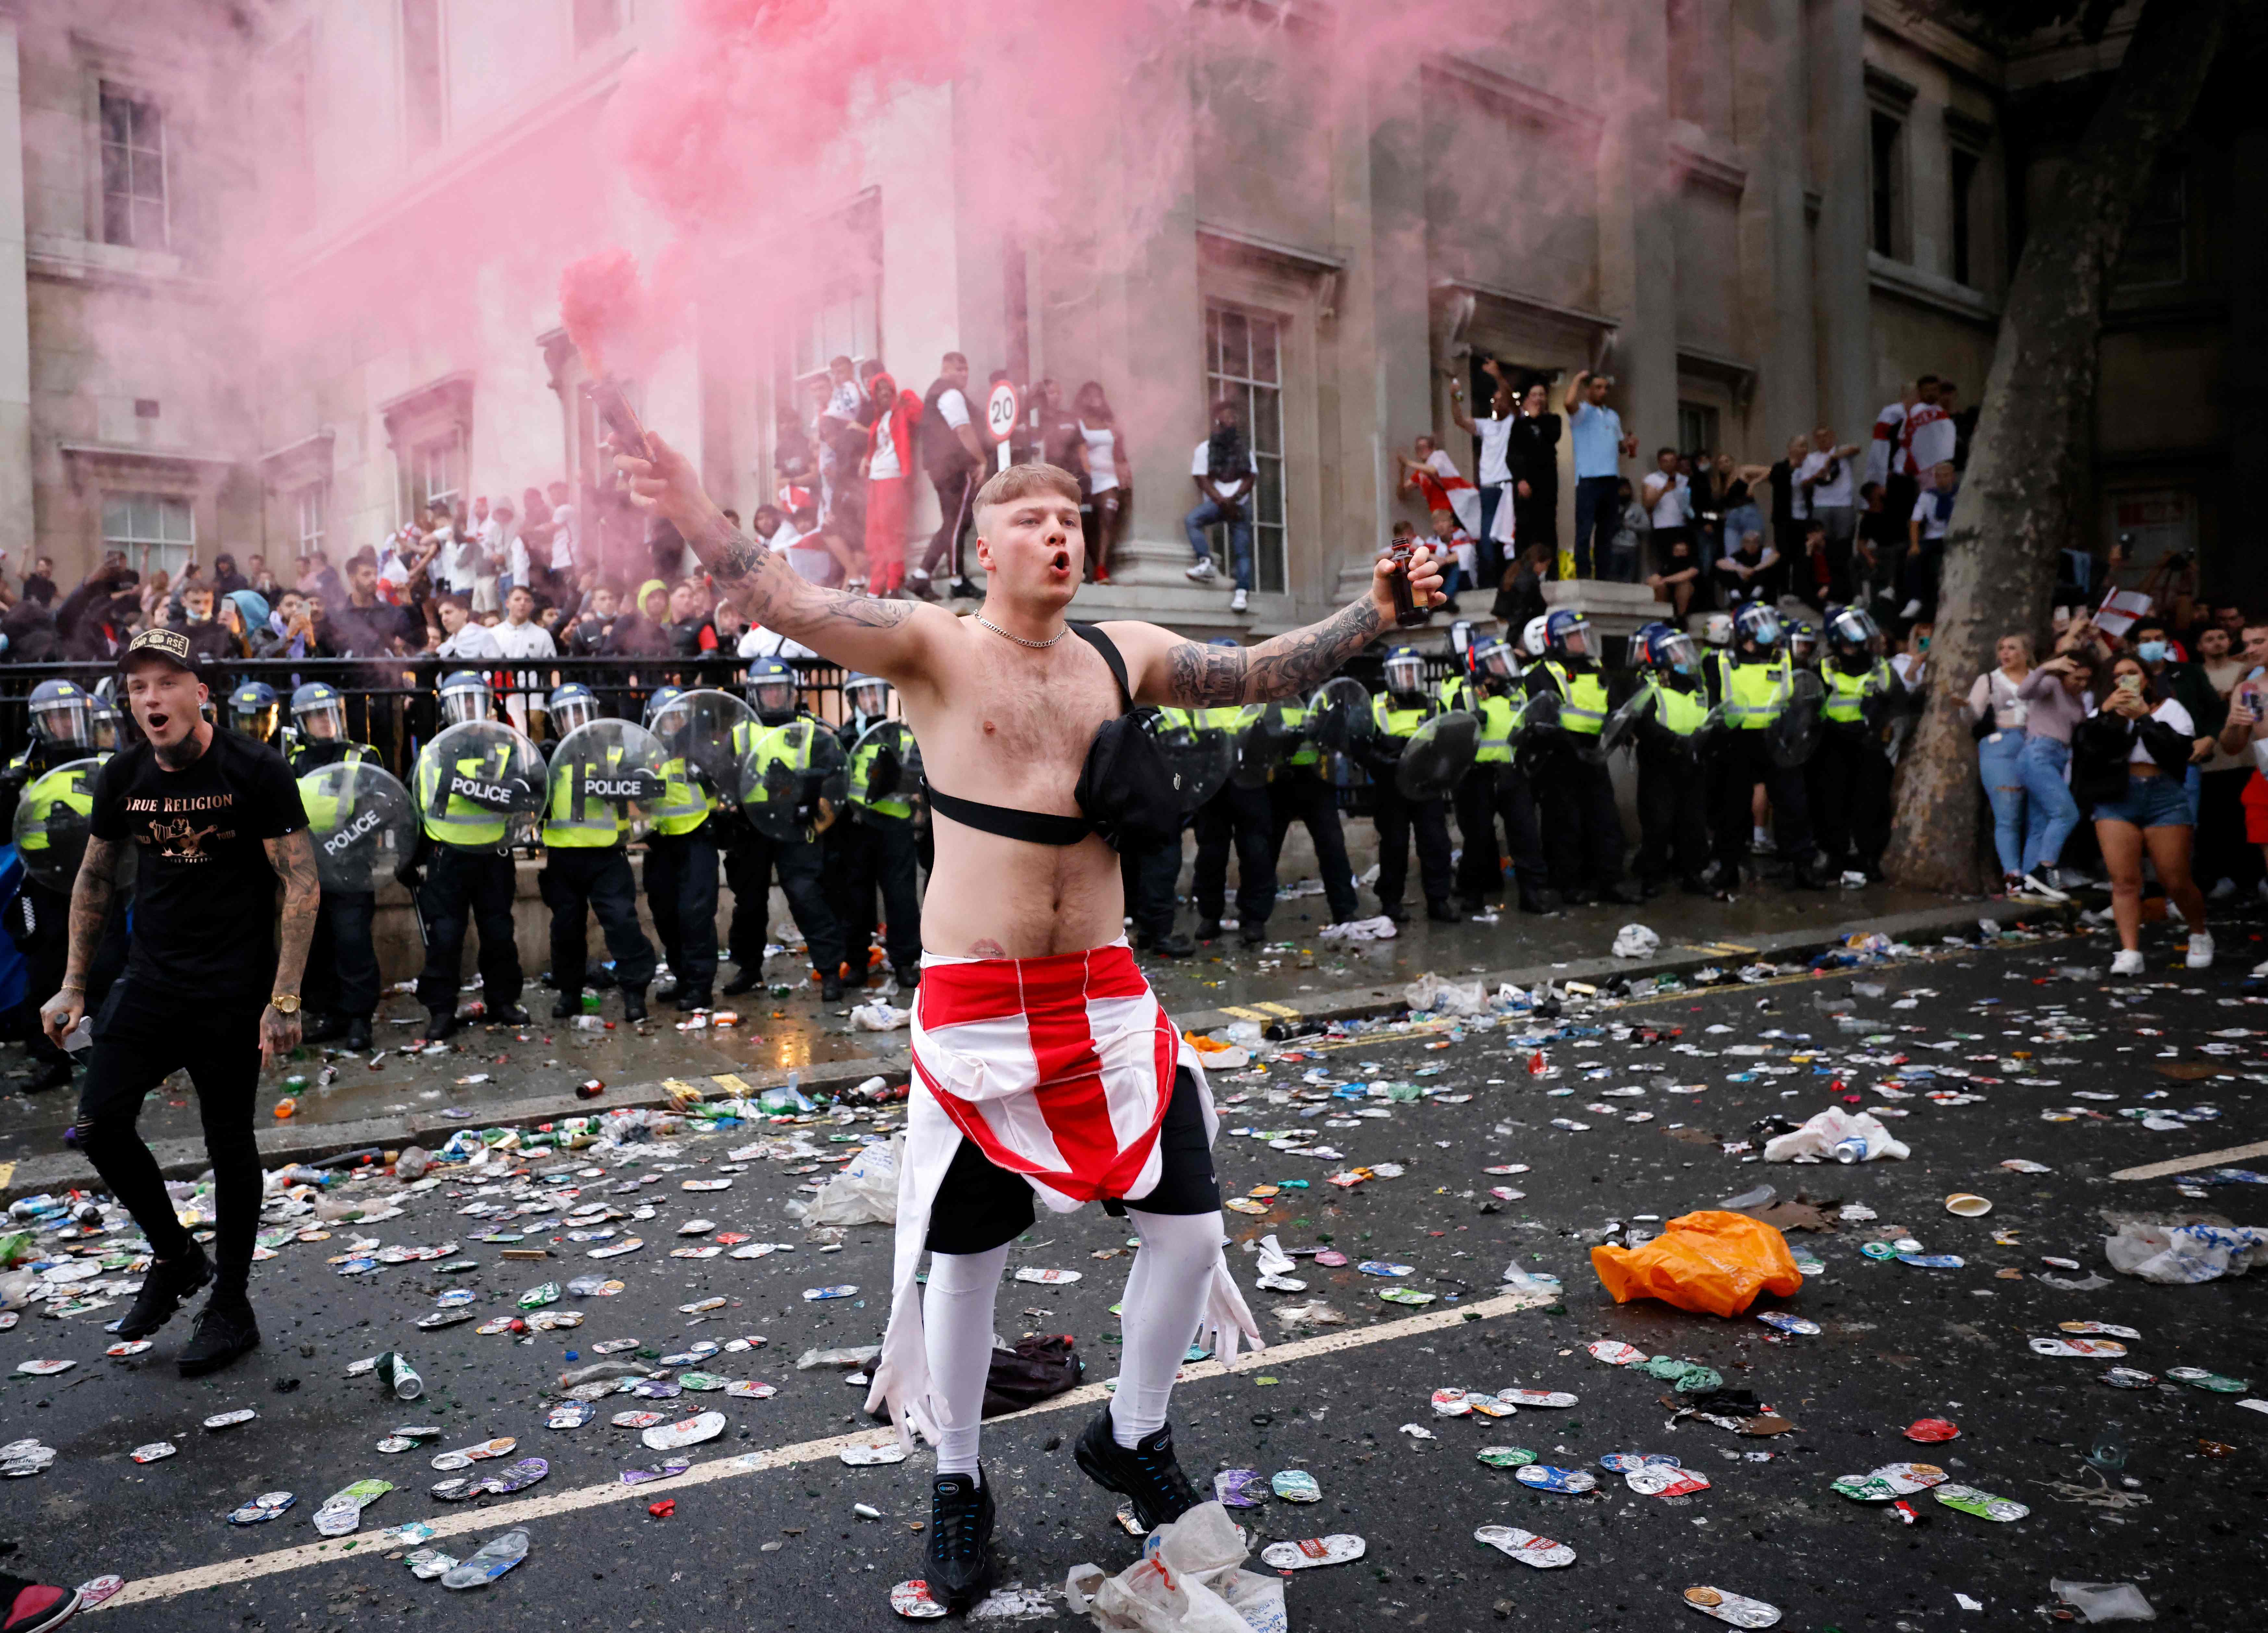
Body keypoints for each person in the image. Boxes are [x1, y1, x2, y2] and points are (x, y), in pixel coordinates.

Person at [615, 427, 1441, 1610]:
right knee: (965, 1264)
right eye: (1033, 521)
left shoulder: (1124, 651)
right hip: (979, 1015)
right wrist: (698, 503)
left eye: (1072, 520)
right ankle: (957, 1477)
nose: (1061, 532)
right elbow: (782, 595)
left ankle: (1132, 1433)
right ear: (985, 547)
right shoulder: (931, 645)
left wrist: (1369, 615)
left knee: (1193, 1234)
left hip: (1107, 999)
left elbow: (1261, 672)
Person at [39, 627, 318, 1377]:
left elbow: (300, 880)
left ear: (202, 691)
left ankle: (231, 1302)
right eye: (138, 686)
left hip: (233, 988)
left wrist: (284, 996)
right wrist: (72, 982)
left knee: (229, 1142)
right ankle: (175, 1253)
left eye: (167, 681)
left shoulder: (254, 768)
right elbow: (95, 878)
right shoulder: (124, 773)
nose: (152, 698)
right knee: (99, 1122)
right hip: (152, 980)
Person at [411, 671, 533, 1039]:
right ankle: (441, 1010)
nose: (468, 708)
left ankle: (502, 1002)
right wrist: (413, 858)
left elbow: (523, 793)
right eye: (460, 701)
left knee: (498, 933)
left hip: (492, 854)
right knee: (445, 937)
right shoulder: (434, 751)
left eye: (474, 700)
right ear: (448, 708)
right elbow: (416, 803)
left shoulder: (505, 746)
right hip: (447, 856)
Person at [719, 661, 846, 1002]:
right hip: (752, 827)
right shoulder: (740, 731)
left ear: (791, 692)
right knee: (748, 904)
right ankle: (748, 969)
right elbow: (726, 778)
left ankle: (830, 970)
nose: (774, 694)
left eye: (779, 688)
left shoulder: (810, 729)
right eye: (767, 689)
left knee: (807, 896)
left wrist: (812, 800)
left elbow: (833, 775)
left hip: (796, 824)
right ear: (756, 693)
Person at [2075, 654, 2209, 976]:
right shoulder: (2102, 713)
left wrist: (2144, 718)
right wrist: (2109, 716)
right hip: (2117, 797)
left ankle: (2199, 933)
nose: (2125, 681)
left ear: (2146, 679)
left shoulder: (2170, 710)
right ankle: (2129, 950)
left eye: (2132, 674)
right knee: (2123, 880)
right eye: (2118, 676)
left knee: (2174, 878)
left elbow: (2177, 752)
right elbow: (2087, 752)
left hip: (2162, 794)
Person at [537, 683, 659, 1023]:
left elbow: (644, 789)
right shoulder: (550, 756)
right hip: (563, 857)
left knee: (622, 924)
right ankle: (569, 993)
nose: (573, 720)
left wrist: (625, 782)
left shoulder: (614, 749)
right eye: (565, 714)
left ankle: (635, 992)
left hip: (607, 854)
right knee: (565, 930)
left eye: (579, 711)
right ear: (556, 722)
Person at [286, 682, 384, 1051]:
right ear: (301, 723)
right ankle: (330, 1015)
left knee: (353, 942)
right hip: (308, 871)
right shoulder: (293, 761)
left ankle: (360, 1018)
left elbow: (379, 806)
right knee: (317, 945)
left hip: (351, 867)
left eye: (330, 714)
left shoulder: (362, 756)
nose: (326, 723)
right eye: (316, 716)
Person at [1706, 602, 1828, 890]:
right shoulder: (1720, 661)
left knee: (1794, 804)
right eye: (1761, 623)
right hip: (1737, 743)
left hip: (1775, 740)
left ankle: (1802, 866)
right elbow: (1713, 703)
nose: (1770, 628)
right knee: (1732, 808)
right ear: (1746, 630)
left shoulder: (1782, 658)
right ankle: (1728, 867)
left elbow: (1794, 698)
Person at [1523, 609, 1635, 904]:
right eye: (1574, 635)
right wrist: (1571, 746)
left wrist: (1617, 726)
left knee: (1606, 820)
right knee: (1565, 824)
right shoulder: (1542, 673)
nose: (1582, 640)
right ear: (1558, 641)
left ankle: (1611, 881)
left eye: (1583, 634)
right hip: (1559, 756)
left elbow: (1612, 705)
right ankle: (1568, 885)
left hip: (1594, 753)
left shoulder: (1596, 667)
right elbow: (1543, 717)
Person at [1441, 634, 1552, 914]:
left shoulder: (1519, 693)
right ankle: (1472, 894)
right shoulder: (1463, 697)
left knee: (1525, 835)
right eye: (1497, 661)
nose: (1505, 666)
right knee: (1478, 840)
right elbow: (1447, 740)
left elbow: (1528, 725)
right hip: (1476, 777)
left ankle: (1532, 893)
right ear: (1481, 668)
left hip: (1512, 773)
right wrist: (1466, 725)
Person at [830, 672, 924, 989]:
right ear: (854, 701)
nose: (871, 700)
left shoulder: (899, 735)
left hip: (894, 827)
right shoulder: (844, 737)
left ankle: (904, 962)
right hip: (856, 827)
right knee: (854, 896)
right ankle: (856, 962)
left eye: (875, 693)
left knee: (901, 897)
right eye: (864, 694)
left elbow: (916, 775)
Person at [641, 686, 726, 1012]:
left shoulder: (704, 747)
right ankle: (682, 977)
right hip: (660, 840)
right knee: (664, 913)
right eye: (666, 717)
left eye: (677, 716)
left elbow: (727, 784)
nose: (672, 722)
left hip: (696, 838)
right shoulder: (648, 751)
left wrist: (707, 776)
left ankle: (700, 986)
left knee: (696, 914)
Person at [1187, 640, 1276, 947]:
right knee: (1211, 855)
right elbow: (1180, 740)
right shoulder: (1194, 701)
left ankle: (1254, 918)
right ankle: (1209, 915)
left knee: (1256, 855)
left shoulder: (1258, 699)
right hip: (1212, 789)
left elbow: (1279, 734)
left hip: (1250, 786)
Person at [1361, 645, 1458, 922]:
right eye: (1402, 670)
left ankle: (1438, 901)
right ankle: (1391, 902)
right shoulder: (1376, 704)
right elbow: (1362, 746)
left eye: (1412, 670)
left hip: (1427, 785)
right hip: (1391, 788)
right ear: (1391, 675)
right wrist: (1383, 760)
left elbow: (1448, 744)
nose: (1408, 676)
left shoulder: (1434, 704)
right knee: (1394, 846)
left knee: (1436, 844)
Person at [1810, 606, 1897, 884]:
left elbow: (1895, 700)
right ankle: (1834, 858)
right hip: (1832, 743)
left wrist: (1879, 713)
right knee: (1831, 804)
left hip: (1868, 743)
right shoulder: (1822, 667)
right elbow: (1810, 707)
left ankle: (1867, 858)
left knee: (1870, 803)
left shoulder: (1879, 665)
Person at [1627, 621, 1712, 896]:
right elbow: (1644, 723)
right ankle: (1652, 877)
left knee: (1693, 822)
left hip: (1693, 761)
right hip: (1661, 761)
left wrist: (1703, 738)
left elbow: (1710, 714)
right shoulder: (1648, 683)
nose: (1683, 655)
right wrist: (1675, 741)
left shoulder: (1696, 683)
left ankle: (1692, 873)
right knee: (1658, 822)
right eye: (1675, 650)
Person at [1264, 697, 1359, 930]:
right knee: (1265, 853)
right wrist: (1285, 739)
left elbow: (1338, 744)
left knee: (1333, 847)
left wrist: (1335, 726)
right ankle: (1254, 917)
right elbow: (1261, 735)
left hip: (1316, 781)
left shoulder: (1322, 698)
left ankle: (1345, 911)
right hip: (1280, 781)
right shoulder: (1271, 697)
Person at [2013, 648, 2092, 897]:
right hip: (2039, 753)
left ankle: (2030, 883)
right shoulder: (2051, 683)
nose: (2081, 684)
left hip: (2058, 758)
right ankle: (2044, 870)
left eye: (2085, 679)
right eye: (2076, 678)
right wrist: (2046, 667)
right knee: (2066, 814)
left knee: (2041, 823)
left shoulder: (2076, 698)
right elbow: (2023, 692)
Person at [912, 352, 987, 602]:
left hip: (939, 468)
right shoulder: (951, 394)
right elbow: (963, 430)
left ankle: (921, 576)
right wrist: (982, 460)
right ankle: (957, 581)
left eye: (966, 369)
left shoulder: (936, 394)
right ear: (945, 369)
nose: (964, 374)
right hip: (954, 468)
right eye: (958, 369)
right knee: (958, 524)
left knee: (950, 524)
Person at [1969, 634, 2036, 894]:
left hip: (2035, 744)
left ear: (2026, 652)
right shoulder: (1989, 680)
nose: (2006, 653)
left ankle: (2035, 873)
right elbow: (1972, 715)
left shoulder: (2038, 678)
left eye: (2012, 648)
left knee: (2038, 813)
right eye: (2001, 649)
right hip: (2000, 746)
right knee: (2008, 813)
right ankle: (2013, 875)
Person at [1183, 397, 1260, 614]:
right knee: (1192, 520)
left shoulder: (1244, 450)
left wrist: (1233, 501)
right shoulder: (1205, 449)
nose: (1232, 420)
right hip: (1221, 503)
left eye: (1234, 416)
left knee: (1242, 550)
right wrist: (1222, 502)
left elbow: (1250, 478)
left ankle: (1242, 593)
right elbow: (1201, 478)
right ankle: (1206, 562)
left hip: (1238, 505)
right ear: (1218, 420)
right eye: (1228, 416)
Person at [1446, 359, 1517, 590]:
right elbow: (1459, 420)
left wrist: (1498, 376)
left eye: (1501, 400)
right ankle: (1492, 584)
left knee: (1508, 539)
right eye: (1494, 400)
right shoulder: (1485, 425)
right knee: (1486, 541)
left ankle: (1509, 583)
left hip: (1507, 489)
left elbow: (1509, 398)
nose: (1497, 403)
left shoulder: (1513, 423)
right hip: (1488, 489)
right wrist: (1455, 397)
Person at [1564, 367, 1634, 579]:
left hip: (1611, 480)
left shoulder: (1613, 416)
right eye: (1598, 387)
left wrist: (1628, 445)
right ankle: (1583, 575)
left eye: (1605, 388)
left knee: (1607, 532)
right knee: (1585, 531)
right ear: (1588, 391)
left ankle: (1604, 576)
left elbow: (1619, 446)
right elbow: (1568, 403)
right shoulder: (1581, 413)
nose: (1603, 391)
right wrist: (1577, 378)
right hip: (1588, 480)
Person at [861, 370, 924, 598]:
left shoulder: (902, 412)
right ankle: (875, 586)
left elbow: (919, 413)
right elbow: (876, 448)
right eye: (880, 392)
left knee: (892, 532)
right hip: (876, 479)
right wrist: (866, 460)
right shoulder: (878, 420)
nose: (885, 395)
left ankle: (894, 584)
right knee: (874, 534)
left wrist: (904, 395)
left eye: (888, 391)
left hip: (893, 477)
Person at [1796, 427, 1861, 593]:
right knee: (1824, 548)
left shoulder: (1842, 453)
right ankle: (1827, 586)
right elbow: (1804, 484)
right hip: (1821, 505)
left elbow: (1857, 448)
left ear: (1833, 437)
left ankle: (1849, 589)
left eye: (1826, 436)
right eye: (1819, 438)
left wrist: (1832, 459)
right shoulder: (1811, 459)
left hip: (1844, 504)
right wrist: (1817, 475)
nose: (1823, 440)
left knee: (1844, 547)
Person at [1506, 380, 1562, 570]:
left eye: (1542, 395)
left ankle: (1550, 571)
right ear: (1528, 399)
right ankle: (1521, 572)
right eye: (1534, 395)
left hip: (1547, 484)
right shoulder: (1519, 425)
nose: (1538, 399)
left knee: (1547, 528)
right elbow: (1512, 455)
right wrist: (1520, 479)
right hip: (1525, 484)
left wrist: (1538, 418)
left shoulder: (1554, 421)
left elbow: (1551, 438)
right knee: (1524, 528)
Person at [1396, 434, 1482, 540]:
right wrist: (1402, 473)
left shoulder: (1440, 456)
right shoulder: (1420, 474)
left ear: (1432, 449)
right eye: (1419, 448)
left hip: (1455, 511)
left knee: (1465, 541)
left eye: (1425, 447)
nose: (1422, 450)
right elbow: (1402, 494)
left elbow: (1432, 470)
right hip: (1439, 516)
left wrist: (1408, 463)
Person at [1641, 447, 1689, 578]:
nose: (1669, 464)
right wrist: (1663, 491)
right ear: (1659, 463)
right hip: (1663, 526)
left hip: (1682, 525)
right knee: (1666, 563)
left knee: (1683, 564)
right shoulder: (1652, 479)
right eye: (1665, 461)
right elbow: (1647, 503)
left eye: (1672, 461)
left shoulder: (1684, 480)